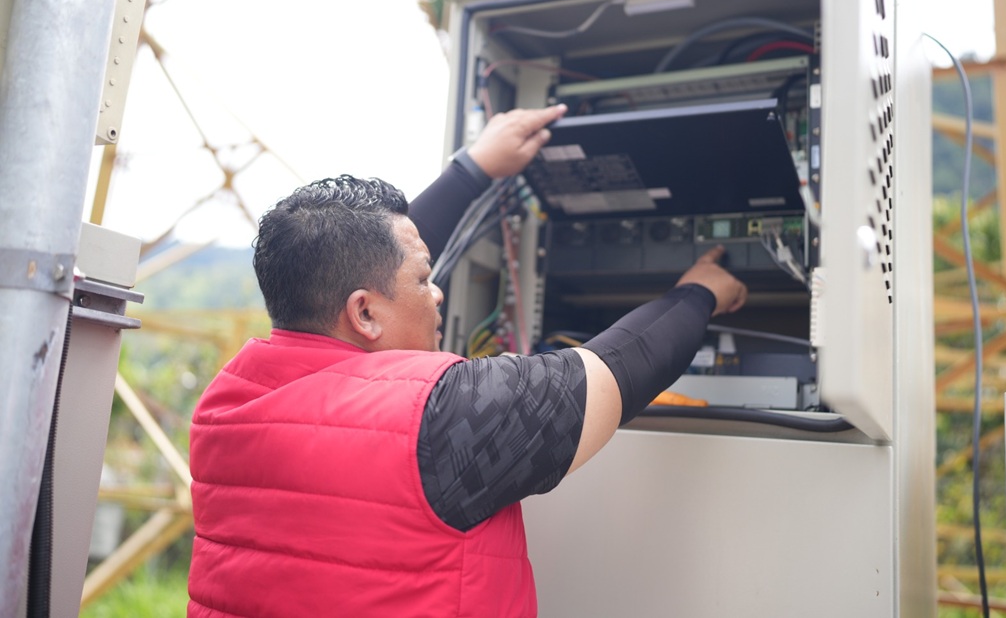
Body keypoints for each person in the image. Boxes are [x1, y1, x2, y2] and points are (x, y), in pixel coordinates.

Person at [186, 105, 747, 618]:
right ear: (364, 314)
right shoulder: (443, 417)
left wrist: (475, 166)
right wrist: (700, 292)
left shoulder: (225, 406)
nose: (438, 294)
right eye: (425, 281)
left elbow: (364, 261)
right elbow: (625, 365)